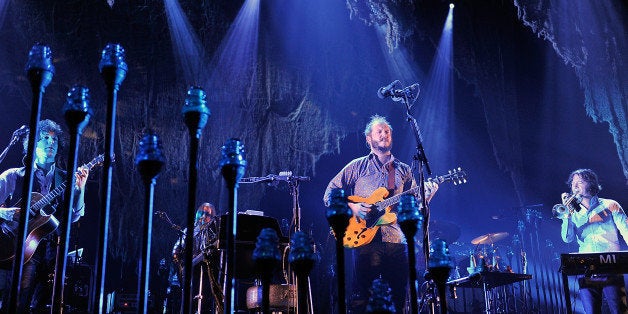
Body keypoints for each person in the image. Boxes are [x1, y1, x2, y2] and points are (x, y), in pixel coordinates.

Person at [323, 115, 438, 313]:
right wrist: (353, 208)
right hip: (365, 241)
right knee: (364, 298)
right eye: (380, 131)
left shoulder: (404, 170)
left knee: (399, 297)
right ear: (368, 139)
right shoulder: (357, 166)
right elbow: (329, 194)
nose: (384, 134)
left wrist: (427, 196)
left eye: (387, 131)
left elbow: (413, 208)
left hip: (397, 241)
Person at [0, 119, 89, 313]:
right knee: (16, 302)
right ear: (32, 144)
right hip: (19, 249)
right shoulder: (13, 176)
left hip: (53, 253)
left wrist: (80, 190)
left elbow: (74, 217)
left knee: (44, 307)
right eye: (45, 138)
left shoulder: (66, 178)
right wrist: (9, 213)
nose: (51, 142)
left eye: (54, 139)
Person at [560, 168, 628, 314]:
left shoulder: (610, 204)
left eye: (579, 182)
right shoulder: (572, 213)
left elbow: (626, 231)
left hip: (611, 266)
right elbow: (567, 238)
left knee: (619, 310)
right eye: (573, 183)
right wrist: (567, 216)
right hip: (586, 269)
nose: (575, 186)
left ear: (591, 184)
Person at [171, 202, 222, 313]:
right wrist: (178, 261)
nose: (204, 216)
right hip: (191, 270)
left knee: (206, 298)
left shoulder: (214, 232)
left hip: (207, 269)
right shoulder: (189, 230)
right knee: (189, 298)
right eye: (202, 213)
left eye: (208, 214)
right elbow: (177, 247)